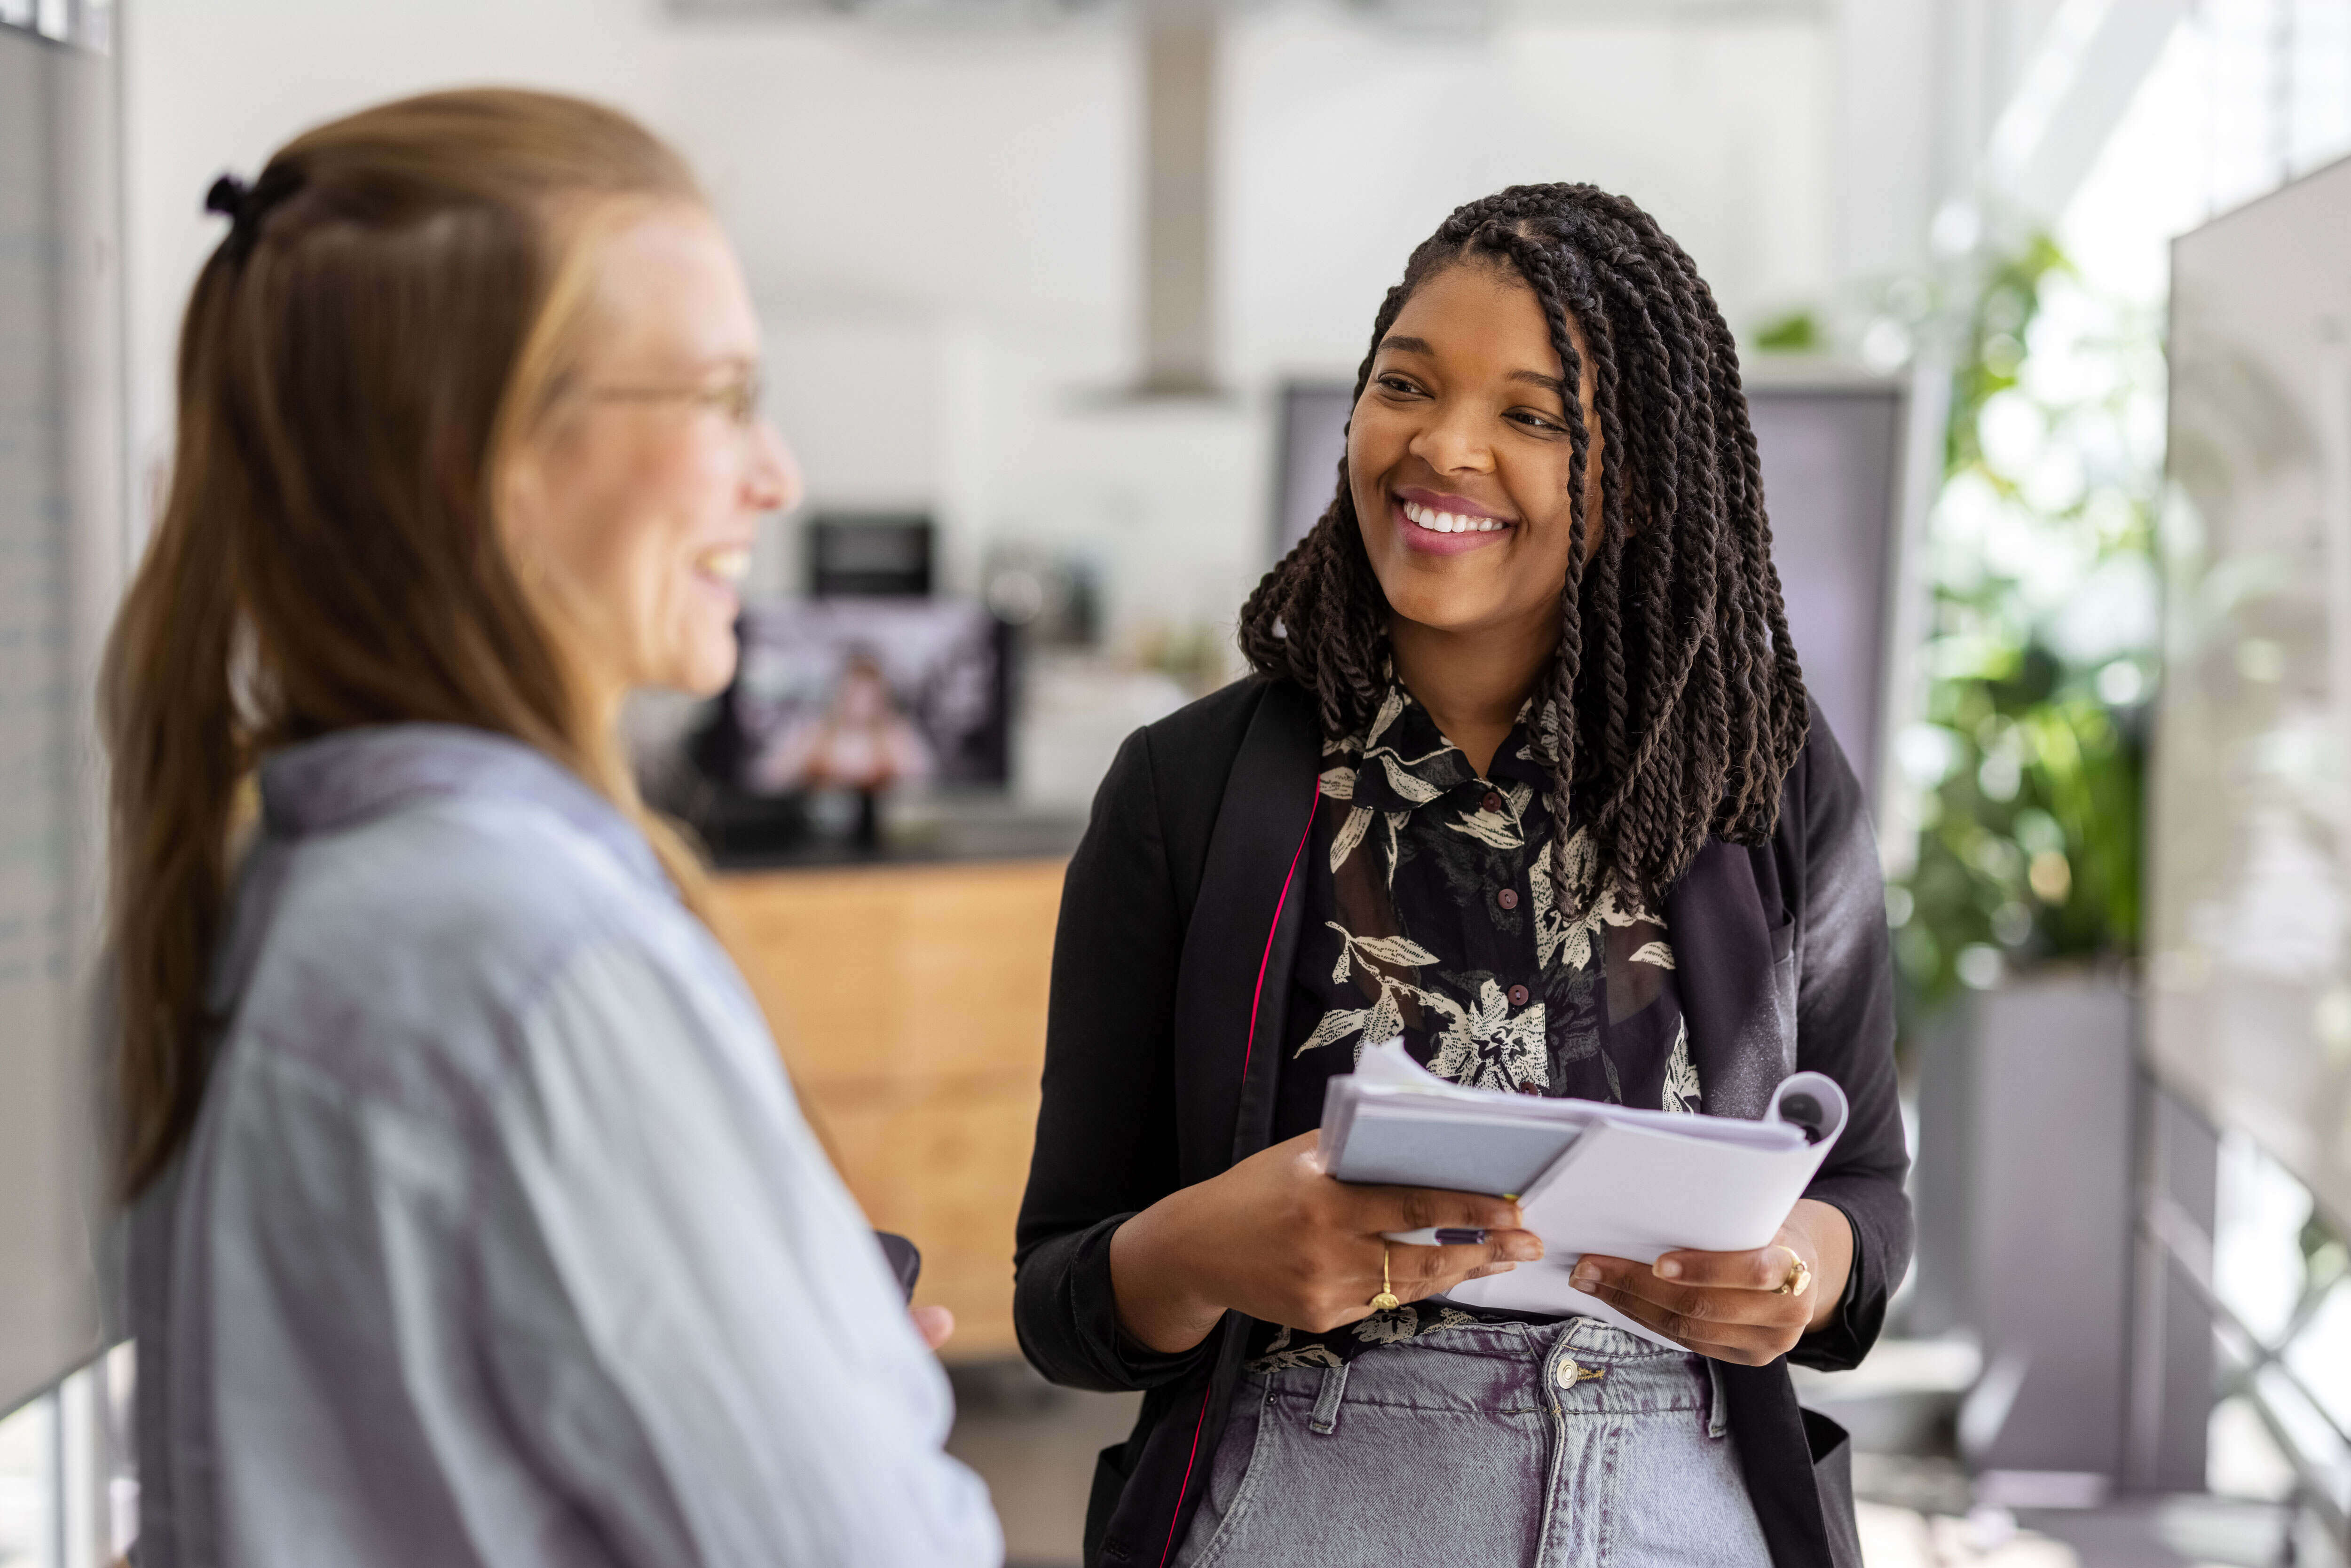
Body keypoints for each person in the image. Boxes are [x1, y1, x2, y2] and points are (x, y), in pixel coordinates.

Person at [105, 88, 1001, 1568]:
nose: (773, 476)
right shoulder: (532, 960)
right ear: (476, 457)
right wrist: (855, 1398)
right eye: (716, 398)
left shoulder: (280, 887)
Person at [1014, 183, 1909, 1568]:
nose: (1442, 445)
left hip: (1684, 1497)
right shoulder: (1185, 792)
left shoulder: (1763, 785)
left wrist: (1792, 1276)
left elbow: (1866, 1195)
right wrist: (1203, 1254)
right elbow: (1060, 1287)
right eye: (1406, 386)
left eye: (1533, 417)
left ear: (1642, 475)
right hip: (1312, 1496)